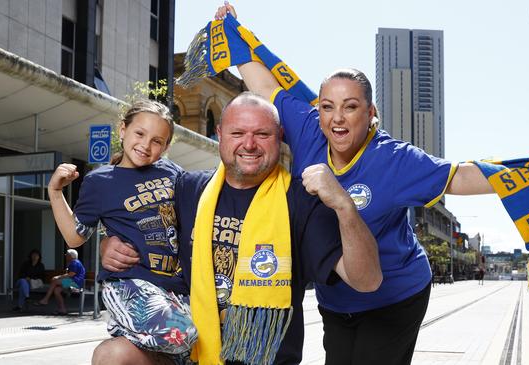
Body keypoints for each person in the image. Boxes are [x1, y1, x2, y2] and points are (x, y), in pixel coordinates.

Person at [215, 4, 529, 364]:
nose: (337, 118)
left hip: (395, 294)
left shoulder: (397, 159)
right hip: (336, 298)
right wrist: (229, 28)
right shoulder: (307, 127)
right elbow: (263, 83)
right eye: (328, 106)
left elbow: (463, 176)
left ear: (370, 113)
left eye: (350, 107)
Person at [94, 92, 382, 365]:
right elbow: (128, 208)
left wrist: (345, 207)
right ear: (220, 135)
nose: (249, 144)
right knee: (112, 355)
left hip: (263, 358)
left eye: (262, 134)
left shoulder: (301, 202)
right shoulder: (187, 188)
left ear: (279, 138)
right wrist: (109, 241)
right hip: (189, 353)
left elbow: (367, 280)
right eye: (237, 133)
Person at [47, 100, 196, 362]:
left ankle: (136, 339)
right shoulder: (101, 180)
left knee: (194, 341)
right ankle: (123, 325)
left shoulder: (172, 172)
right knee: (182, 334)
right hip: (131, 283)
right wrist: (55, 192)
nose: (146, 145)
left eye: (157, 141)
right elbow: (75, 236)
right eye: (140, 134)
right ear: (123, 130)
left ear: (166, 147)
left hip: (175, 286)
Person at [34, 249, 85, 315]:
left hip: (75, 284)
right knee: (56, 290)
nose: (65, 255)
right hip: (72, 282)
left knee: (55, 281)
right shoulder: (74, 262)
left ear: (71, 256)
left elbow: (71, 274)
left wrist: (58, 277)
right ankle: (62, 309)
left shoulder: (75, 262)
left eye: (67, 254)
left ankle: (45, 299)